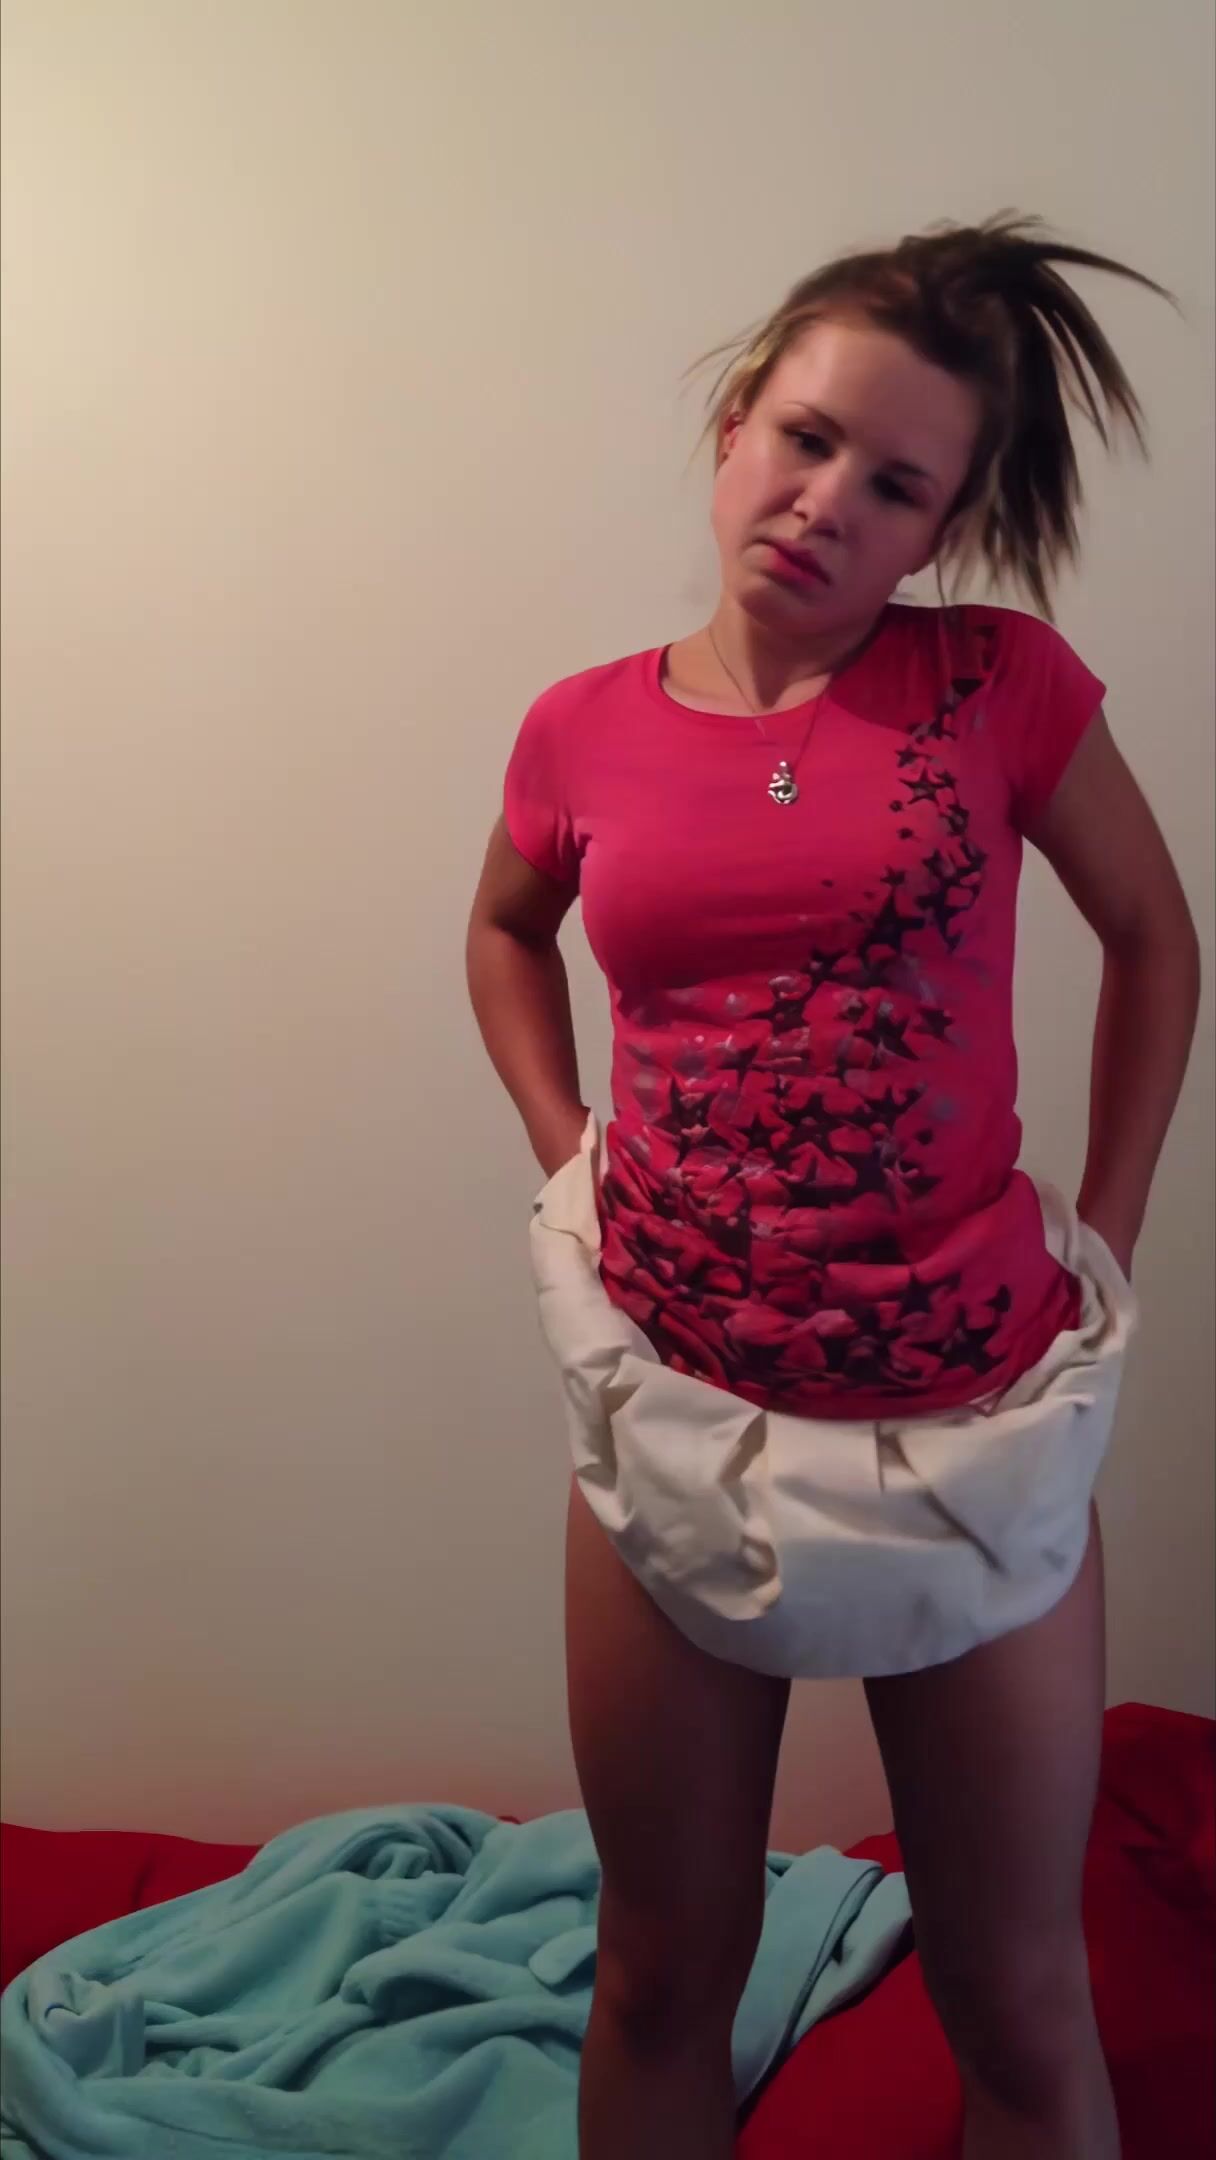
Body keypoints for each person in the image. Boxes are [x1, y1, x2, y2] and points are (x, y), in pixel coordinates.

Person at [466, 214, 1201, 2160]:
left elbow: (1155, 938)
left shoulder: (1002, 684)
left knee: (1018, 1994)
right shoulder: (580, 727)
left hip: (975, 1420)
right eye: (803, 440)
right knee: (657, 1972)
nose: (824, 504)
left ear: (940, 527)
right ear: (734, 424)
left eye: (895, 486)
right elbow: (501, 928)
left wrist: (1110, 1225)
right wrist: (565, 1141)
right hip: (673, 1404)